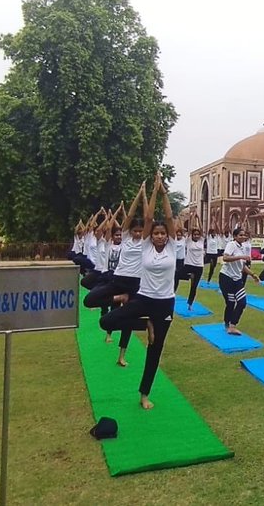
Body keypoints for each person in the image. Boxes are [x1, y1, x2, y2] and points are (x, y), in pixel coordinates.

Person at [97, 172, 177, 410]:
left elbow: (169, 217)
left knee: (155, 351)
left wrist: (164, 193)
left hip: (165, 303)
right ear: (150, 235)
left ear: (167, 236)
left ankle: (144, 395)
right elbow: (149, 216)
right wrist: (153, 191)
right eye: (156, 233)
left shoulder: (172, 247)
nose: (159, 236)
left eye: (163, 233)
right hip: (144, 298)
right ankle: (145, 324)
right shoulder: (145, 247)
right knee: (106, 321)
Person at [84, 188, 145, 363]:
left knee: (129, 320)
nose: (138, 233)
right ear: (129, 231)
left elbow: (148, 218)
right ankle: (119, 299)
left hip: (135, 284)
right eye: (135, 230)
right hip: (117, 279)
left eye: (140, 231)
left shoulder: (146, 242)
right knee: (89, 300)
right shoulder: (124, 238)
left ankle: (122, 356)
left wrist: (146, 197)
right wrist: (138, 195)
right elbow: (129, 216)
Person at [219, 225, 255, 335]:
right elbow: (225, 258)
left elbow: (242, 266)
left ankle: (232, 325)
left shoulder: (242, 247)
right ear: (235, 236)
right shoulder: (232, 245)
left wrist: (252, 274)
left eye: (244, 235)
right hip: (227, 278)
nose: (243, 237)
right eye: (240, 235)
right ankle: (227, 323)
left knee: (242, 302)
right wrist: (241, 257)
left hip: (237, 279)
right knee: (230, 303)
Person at [182, 219, 206, 308]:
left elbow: (201, 229)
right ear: (192, 235)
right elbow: (190, 229)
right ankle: (189, 276)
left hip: (199, 266)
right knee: (177, 275)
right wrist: (192, 218)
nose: (196, 236)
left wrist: (199, 218)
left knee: (194, 286)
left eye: (197, 234)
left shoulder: (201, 241)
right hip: (189, 264)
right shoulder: (189, 241)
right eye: (194, 234)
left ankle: (190, 303)